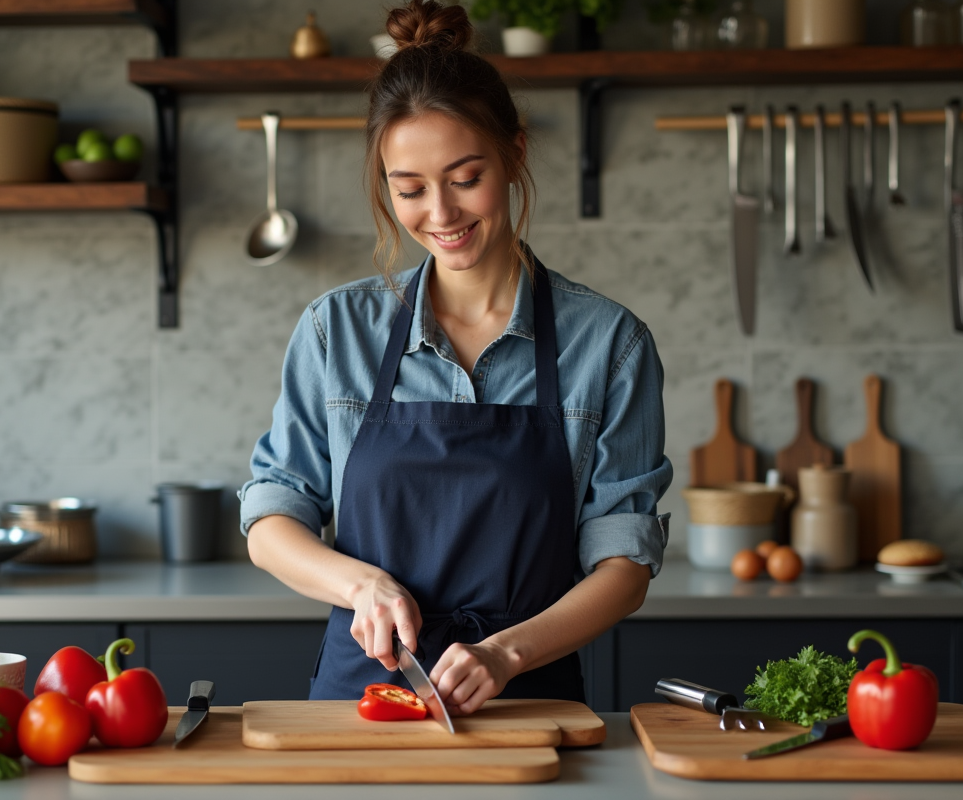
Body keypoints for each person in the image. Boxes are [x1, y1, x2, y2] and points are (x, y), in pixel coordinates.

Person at [241, 0, 672, 716]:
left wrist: (506, 653)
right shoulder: (335, 330)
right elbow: (271, 519)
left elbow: (624, 563)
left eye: (466, 178)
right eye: (409, 190)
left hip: (526, 702)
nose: (439, 214)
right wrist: (360, 585)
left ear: (515, 153)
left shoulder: (609, 343)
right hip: (361, 703)